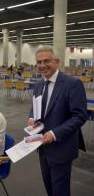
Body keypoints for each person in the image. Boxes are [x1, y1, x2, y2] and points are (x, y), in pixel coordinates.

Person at [28, 46, 87, 196]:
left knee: (60, 191)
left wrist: (54, 134)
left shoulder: (72, 84)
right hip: (42, 147)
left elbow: (79, 116)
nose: (42, 65)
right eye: (39, 62)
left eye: (46, 61)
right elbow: (35, 107)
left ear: (57, 61)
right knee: (49, 187)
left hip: (62, 146)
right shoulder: (39, 85)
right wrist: (32, 118)